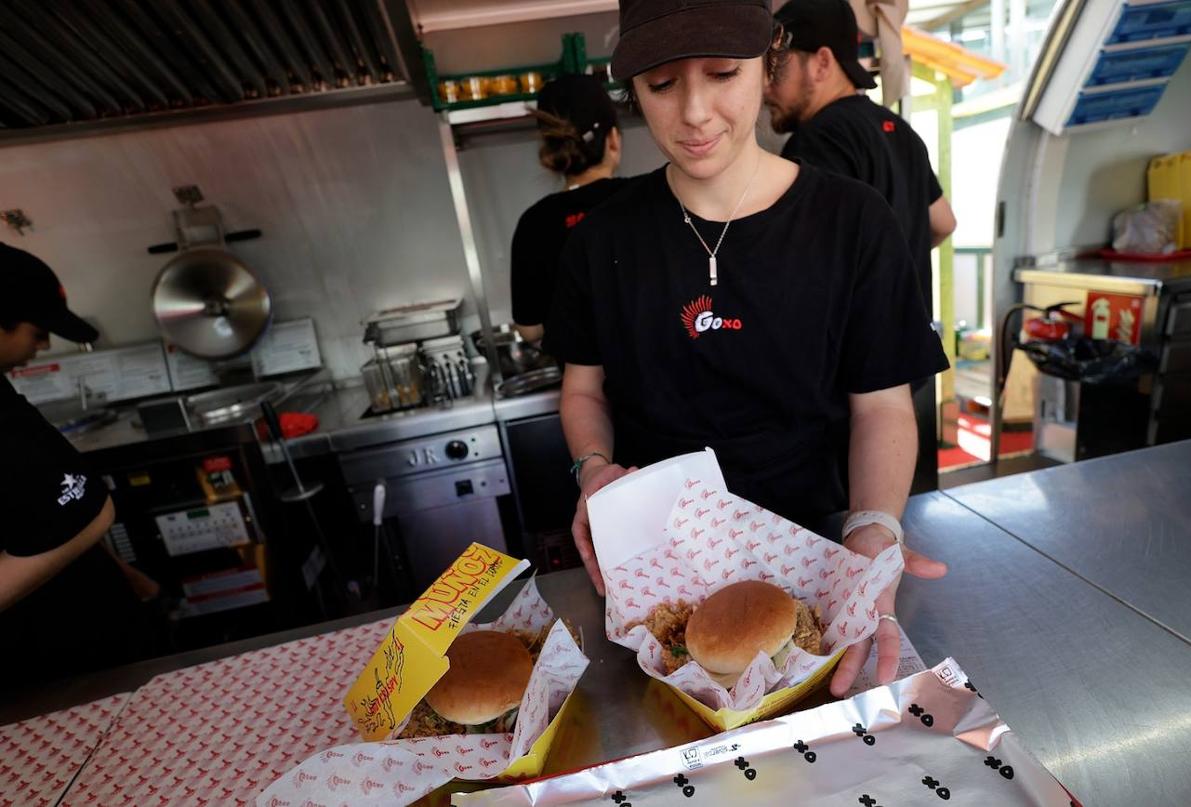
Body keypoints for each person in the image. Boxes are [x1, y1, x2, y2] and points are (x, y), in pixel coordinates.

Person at [545, 0, 949, 695]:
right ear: (634, 93)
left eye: (721, 73)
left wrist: (874, 529)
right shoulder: (599, 242)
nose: (695, 112)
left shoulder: (853, 221)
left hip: (825, 554)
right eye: (662, 84)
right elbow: (583, 389)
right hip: (660, 575)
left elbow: (881, 405)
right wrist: (593, 467)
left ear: (767, 65)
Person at [0, 243, 155, 689]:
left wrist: (124, 575)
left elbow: (63, 510)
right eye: (38, 328)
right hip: (42, 657)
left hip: (94, 626)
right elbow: (83, 514)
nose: (44, 344)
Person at [766, 0, 957, 311]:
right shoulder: (901, 130)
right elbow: (944, 222)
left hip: (858, 352)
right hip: (915, 347)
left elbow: (802, 266)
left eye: (777, 69)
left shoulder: (817, 141)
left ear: (822, 63)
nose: (765, 88)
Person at [511, 74, 629, 343]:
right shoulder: (646, 197)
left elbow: (529, 329)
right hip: (659, 380)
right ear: (613, 140)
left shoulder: (534, 223)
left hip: (580, 379)